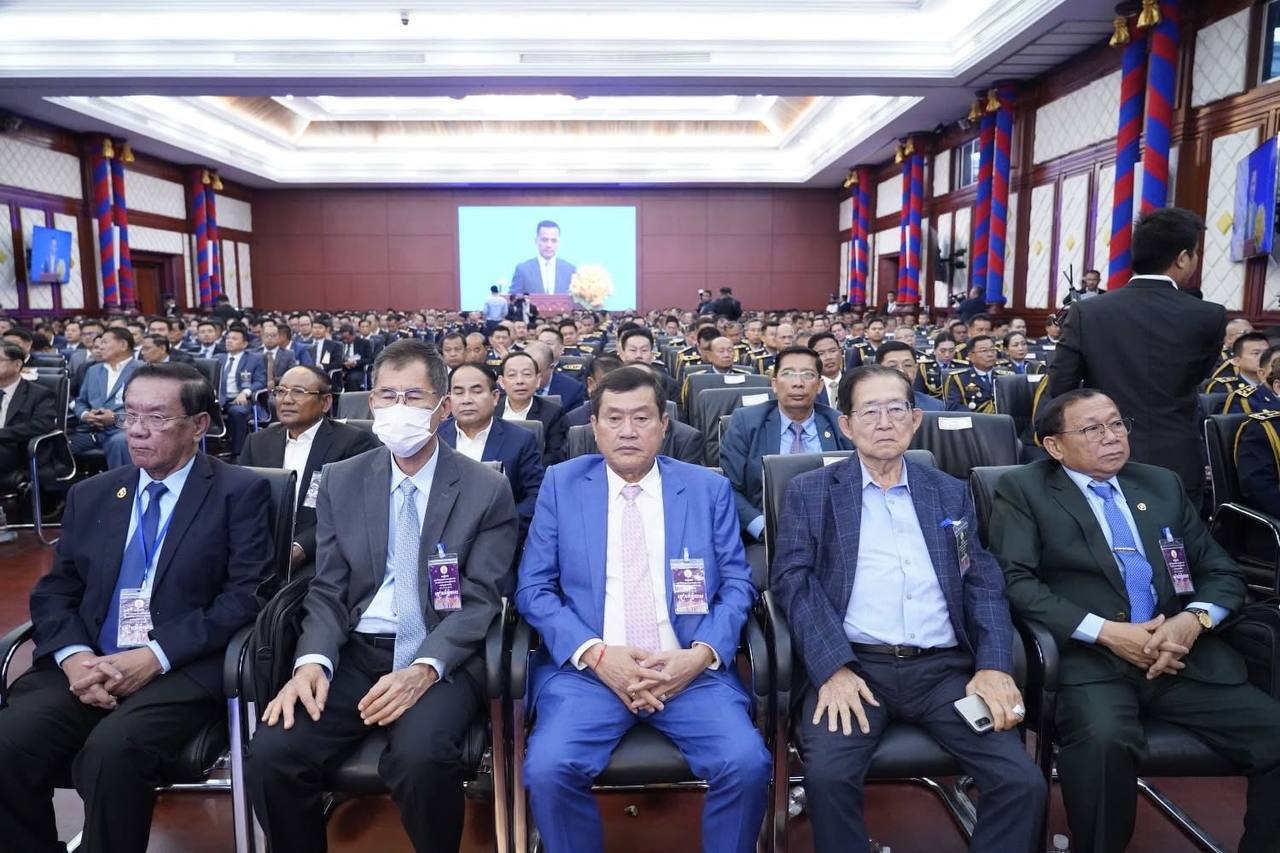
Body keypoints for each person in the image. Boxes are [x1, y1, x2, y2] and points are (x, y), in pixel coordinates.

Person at [247, 340, 517, 853]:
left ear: (442, 407)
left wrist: (424, 670)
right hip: (355, 649)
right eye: (387, 395)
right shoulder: (343, 480)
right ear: (370, 403)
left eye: (413, 397)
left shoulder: (485, 488)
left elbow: (481, 599)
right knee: (273, 754)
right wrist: (312, 662)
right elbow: (328, 587)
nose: (398, 408)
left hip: (440, 654)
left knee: (421, 758)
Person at [988, 388, 1280, 853]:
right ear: (1054, 446)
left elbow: (1221, 572)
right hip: (1091, 662)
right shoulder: (1024, 489)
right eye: (1092, 429)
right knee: (1104, 743)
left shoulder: (1160, 484)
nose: (1111, 437)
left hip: (1180, 657)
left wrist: (1193, 621)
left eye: (1116, 424)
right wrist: (1105, 632)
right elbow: (1015, 580)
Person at [771, 365, 1045, 853]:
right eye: (869, 411)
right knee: (829, 778)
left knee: (1022, 783)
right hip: (856, 669)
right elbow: (793, 582)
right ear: (846, 425)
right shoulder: (811, 492)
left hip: (944, 673)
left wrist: (994, 666)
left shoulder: (948, 491)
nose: (884, 422)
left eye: (896, 409)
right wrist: (833, 667)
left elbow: (981, 582)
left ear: (915, 419)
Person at [0, 362, 271, 853]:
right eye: (130, 415)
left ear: (199, 425)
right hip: (90, 664)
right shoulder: (94, 494)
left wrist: (154, 657)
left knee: (113, 752)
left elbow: (245, 598)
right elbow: (56, 590)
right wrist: (75, 658)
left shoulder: (239, 492)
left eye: (157, 418)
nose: (138, 430)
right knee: (9, 741)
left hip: (178, 668)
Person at [516, 365, 770, 853]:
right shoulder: (561, 485)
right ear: (595, 427)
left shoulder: (706, 488)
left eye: (641, 418)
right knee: (548, 769)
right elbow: (533, 588)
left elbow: (738, 583)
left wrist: (699, 655)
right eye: (614, 419)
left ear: (664, 425)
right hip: (591, 672)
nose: (628, 431)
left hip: (687, 669)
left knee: (746, 763)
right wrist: (596, 654)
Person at [1049, 208, 1225, 505]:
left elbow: (1060, 387)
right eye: (1195, 254)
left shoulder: (1087, 312)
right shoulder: (1209, 315)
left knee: (1107, 533)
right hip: (1177, 458)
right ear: (1182, 258)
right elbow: (1200, 375)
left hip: (1102, 453)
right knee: (1177, 534)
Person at [239, 364, 381, 573]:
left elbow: (352, 511)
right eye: (281, 391)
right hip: (262, 549)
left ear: (325, 402)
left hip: (321, 554)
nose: (286, 400)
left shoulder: (351, 443)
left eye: (298, 392)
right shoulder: (257, 442)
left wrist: (301, 547)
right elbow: (242, 504)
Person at [721, 346, 852, 544]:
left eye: (808, 375)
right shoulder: (746, 423)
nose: (798, 383)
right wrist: (764, 528)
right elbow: (728, 486)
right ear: (774, 384)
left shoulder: (840, 424)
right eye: (788, 374)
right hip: (764, 536)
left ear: (819, 385)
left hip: (832, 534)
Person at [437, 362, 544, 543]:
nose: (467, 400)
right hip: (441, 541)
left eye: (476, 391)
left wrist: (498, 527)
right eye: (458, 392)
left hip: (497, 541)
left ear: (495, 397)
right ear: (448, 400)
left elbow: (536, 497)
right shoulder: (434, 438)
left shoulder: (520, 440)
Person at [70, 327, 137, 468]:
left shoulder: (142, 371)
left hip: (123, 430)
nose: (100, 346)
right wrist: (86, 415)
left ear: (123, 345)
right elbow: (80, 401)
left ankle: (122, 482)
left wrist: (116, 418)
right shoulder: (93, 370)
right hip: (91, 430)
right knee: (55, 444)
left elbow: (146, 411)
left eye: (105, 342)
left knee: (119, 442)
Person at [497, 350, 568, 465]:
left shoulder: (553, 414)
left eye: (527, 374)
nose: (520, 381)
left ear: (538, 380)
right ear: (502, 382)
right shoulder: (490, 411)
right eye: (512, 375)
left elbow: (555, 457)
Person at [0, 343, 57, 477]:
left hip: (18, 448)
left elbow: (42, 425)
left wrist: (2, 434)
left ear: (17, 365)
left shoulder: (40, 394)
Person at [215, 325, 267, 460]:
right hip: (219, 399)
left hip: (241, 399)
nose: (229, 341)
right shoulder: (218, 358)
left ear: (244, 344)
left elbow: (260, 381)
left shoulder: (255, 359)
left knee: (237, 412)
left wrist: (245, 392)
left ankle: (238, 454)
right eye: (228, 338)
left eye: (234, 339)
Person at [510, 220, 577, 295]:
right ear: (536, 241)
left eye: (553, 240)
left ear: (559, 243)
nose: (549, 245)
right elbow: (512, 298)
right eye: (545, 240)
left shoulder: (570, 270)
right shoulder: (523, 270)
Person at [944, 334, 1006, 414]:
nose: (990, 354)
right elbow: (954, 408)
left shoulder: (1006, 377)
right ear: (971, 356)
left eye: (992, 349)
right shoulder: (959, 379)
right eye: (984, 351)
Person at [874, 341, 943, 411]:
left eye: (907, 365)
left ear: (916, 369)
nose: (901, 371)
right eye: (893, 366)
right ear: (878, 370)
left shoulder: (935, 406)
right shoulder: (868, 405)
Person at [1207, 331, 1269, 400]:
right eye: (1256, 353)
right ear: (1237, 361)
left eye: (1267, 352)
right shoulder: (1224, 387)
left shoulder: (1275, 384)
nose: (1264, 357)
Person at [260, 321, 299, 389]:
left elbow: (292, 374)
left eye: (273, 335)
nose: (270, 338)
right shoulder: (253, 353)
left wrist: (274, 381)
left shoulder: (289, 354)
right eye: (267, 335)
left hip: (280, 389)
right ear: (262, 337)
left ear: (278, 336)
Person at [336, 323, 373, 392]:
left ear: (353, 335)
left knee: (352, 378)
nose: (345, 340)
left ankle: (351, 397)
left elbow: (369, 359)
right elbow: (335, 358)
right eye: (343, 338)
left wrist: (355, 362)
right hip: (341, 368)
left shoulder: (364, 343)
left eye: (347, 338)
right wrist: (343, 364)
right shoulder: (339, 343)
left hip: (357, 369)